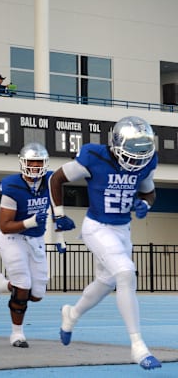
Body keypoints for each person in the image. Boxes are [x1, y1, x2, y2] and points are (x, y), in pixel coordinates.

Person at [49, 116, 161, 370]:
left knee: (106, 281)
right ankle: (138, 346)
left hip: (123, 230)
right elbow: (55, 179)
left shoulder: (146, 161)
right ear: (116, 144)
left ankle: (72, 315)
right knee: (125, 273)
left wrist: (145, 204)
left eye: (141, 153)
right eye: (131, 153)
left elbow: (148, 190)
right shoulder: (94, 156)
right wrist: (58, 215)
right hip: (97, 226)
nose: (136, 160)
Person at [0, 143, 52, 348]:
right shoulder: (12, 186)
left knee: (36, 295)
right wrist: (30, 221)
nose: (34, 166)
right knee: (23, 285)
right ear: (22, 163)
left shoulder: (51, 181)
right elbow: (5, 226)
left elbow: (57, 207)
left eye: (38, 162)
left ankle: (1, 284)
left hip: (36, 239)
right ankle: (17, 334)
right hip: (13, 238)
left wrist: (59, 237)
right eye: (31, 161)